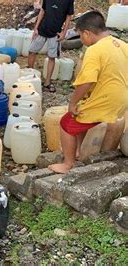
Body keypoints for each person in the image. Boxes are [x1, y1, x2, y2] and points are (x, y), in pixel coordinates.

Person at [49, 11, 128, 174]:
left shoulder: (94, 50)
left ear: (86, 33)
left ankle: (67, 164)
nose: (82, 40)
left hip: (107, 100)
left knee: (67, 123)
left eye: (80, 35)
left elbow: (87, 81)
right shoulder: (122, 45)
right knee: (81, 118)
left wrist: (72, 103)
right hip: (121, 98)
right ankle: (76, 151)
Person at [28, 0, 74, 93]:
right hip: (42, 29)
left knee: (51, 57)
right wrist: (36, 28)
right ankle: (30, 75)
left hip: (55, 33)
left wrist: (63, 32)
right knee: (31, 51)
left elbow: (68, 16)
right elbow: (42, 11)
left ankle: (47, 82)